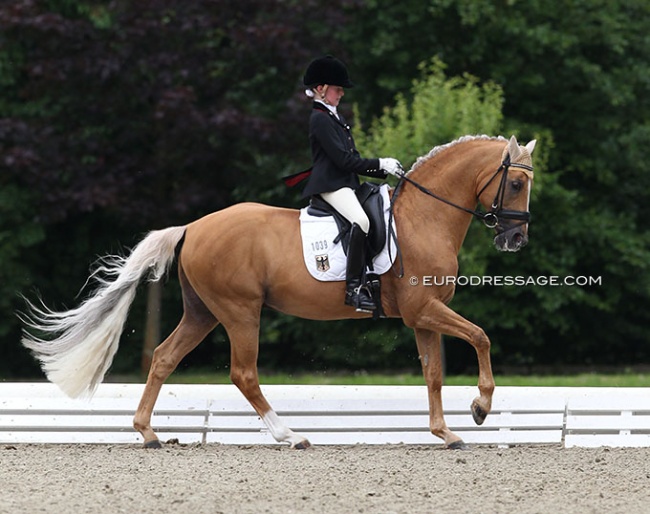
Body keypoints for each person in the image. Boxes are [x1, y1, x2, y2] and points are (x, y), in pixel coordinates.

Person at [302, 55, 403, 312]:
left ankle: (369, 274)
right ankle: (354, 288)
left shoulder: (334, 117)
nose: (341, 94)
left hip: (346, 183)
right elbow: (343, 160)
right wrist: (380, 163)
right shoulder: (320, 118)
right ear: (321, 89)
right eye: (338, 89)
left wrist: (384, 171)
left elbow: (353, 158)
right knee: (362, 221)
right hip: (331, 185)